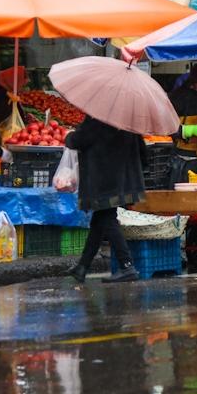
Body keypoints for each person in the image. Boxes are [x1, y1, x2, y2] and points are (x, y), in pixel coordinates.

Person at [65, 116, 146, 284]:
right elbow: (142, 150)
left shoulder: (99, 115)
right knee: (100, 220)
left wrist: (69, 136)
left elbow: (80, 140)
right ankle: (82, 267)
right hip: (122, 176)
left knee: (108, 219)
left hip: (104, 179)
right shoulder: (129, 117)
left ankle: (127, 265)